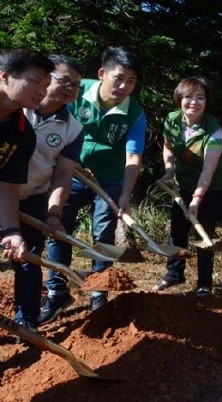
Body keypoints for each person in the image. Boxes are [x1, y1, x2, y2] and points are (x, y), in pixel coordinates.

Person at [44, 46, 146, 320]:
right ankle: (56, 292)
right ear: (102, 74)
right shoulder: (76, 94)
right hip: (71, 174)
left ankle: (99, 293)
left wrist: (125, 194)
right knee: (59, 229)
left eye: (132, 81)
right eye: (119, 77)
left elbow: (133, 155)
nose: (124, 86)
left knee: (103, 234)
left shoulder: (134, 112)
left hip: (110, 179)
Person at [14, 55, 83, 330]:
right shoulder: (15, 106)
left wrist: (54, 213)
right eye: (63, 80)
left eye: (76, 85)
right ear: (44, 79)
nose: (70, 88)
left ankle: (26, 320)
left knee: (29, 257)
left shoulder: (73, 129)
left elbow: (63, 176)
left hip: (33, 198)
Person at [153, 76, 222, 297]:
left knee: (203, 234)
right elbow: (167, 147)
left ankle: (204, 282)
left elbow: (208, 169)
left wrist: (196, 200)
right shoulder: (172, 119)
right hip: (182, 183)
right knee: (177, 231)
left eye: (200, 98)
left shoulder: (214, 129)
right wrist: (169, 170)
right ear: (179, 99)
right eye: (188, 97)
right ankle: (174, 274)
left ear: (207, 102)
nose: (193, 102)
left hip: (210, 187)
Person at [0, 49, 53, 331]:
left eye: (46, 85)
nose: (41, 91)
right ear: (5, 77)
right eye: (35, 81)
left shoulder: (22, 133)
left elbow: (7, 186)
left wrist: (10, 231)